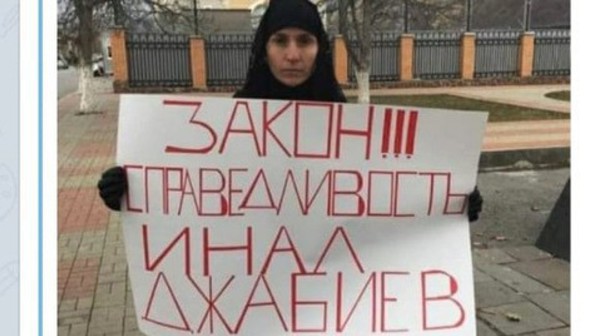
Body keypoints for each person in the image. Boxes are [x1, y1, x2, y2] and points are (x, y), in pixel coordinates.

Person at [97, 0, 482, 221]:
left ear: (321, 48)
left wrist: (449, 202)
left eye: (305, 41)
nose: (293, 54)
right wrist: (132, 192)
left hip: (326, 297)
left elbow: (382, 201)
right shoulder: (232, 122)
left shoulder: (343, 122)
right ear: (264, 47)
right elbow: (195, 201)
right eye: (280, 40)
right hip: (251, 294)